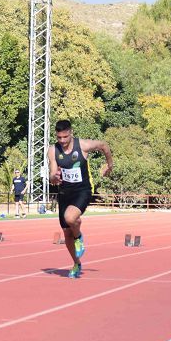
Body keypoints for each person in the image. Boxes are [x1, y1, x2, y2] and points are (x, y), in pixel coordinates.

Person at [48, 119, 114, 279]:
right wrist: (53, 178)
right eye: (59, 138)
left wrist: (109, 165)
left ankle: (79, 236)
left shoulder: (83, 145)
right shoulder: (52, 150)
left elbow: (104, 145)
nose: (62, 141)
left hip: (82, 190)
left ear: (71, 133)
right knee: (66, 232)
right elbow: (52, 173)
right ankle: (76, 263)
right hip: (64, 193)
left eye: (65, 137)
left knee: (70, 217)